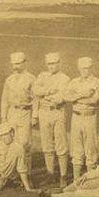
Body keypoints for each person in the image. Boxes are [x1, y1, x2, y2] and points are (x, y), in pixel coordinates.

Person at [33, 52, 71, 186]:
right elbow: (35, 91)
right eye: (49, 63)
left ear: (59, 63)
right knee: (47, 144)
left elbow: (61, 97)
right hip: (44, 112)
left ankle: (63, 176)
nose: (51, 66)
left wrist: (46, 93)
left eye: (54, 63)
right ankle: (50, 174)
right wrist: (50, 91)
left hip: (57, 112)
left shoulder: (65, 78)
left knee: (61, 144)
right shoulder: (42, 76)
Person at [64, 57, 99, 181]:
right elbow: (66, 97)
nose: (84, 70)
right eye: (82, 68)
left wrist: (76, 97)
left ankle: (91, 180)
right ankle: (76, 180)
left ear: (91, 68)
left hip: (89, 117)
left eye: (87, 68)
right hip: (76, 116)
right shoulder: (74, 81)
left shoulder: (97, 82)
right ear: (79, 68)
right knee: (76, 148)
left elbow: (94, 100)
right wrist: (82, 94)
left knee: (90, 148)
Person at [0, 52, 36, 167]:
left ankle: (26, 172)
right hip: (12, 112)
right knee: (11, 143)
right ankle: (13, 172)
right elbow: (5, 99)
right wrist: (3, 116)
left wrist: (35, 116)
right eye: (14, 64)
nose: (16, 66)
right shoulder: (9, 79)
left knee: (25, 143)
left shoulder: (31, 79)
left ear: (24, 63)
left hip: (25, 112)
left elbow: (36, 99)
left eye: (19, 63)